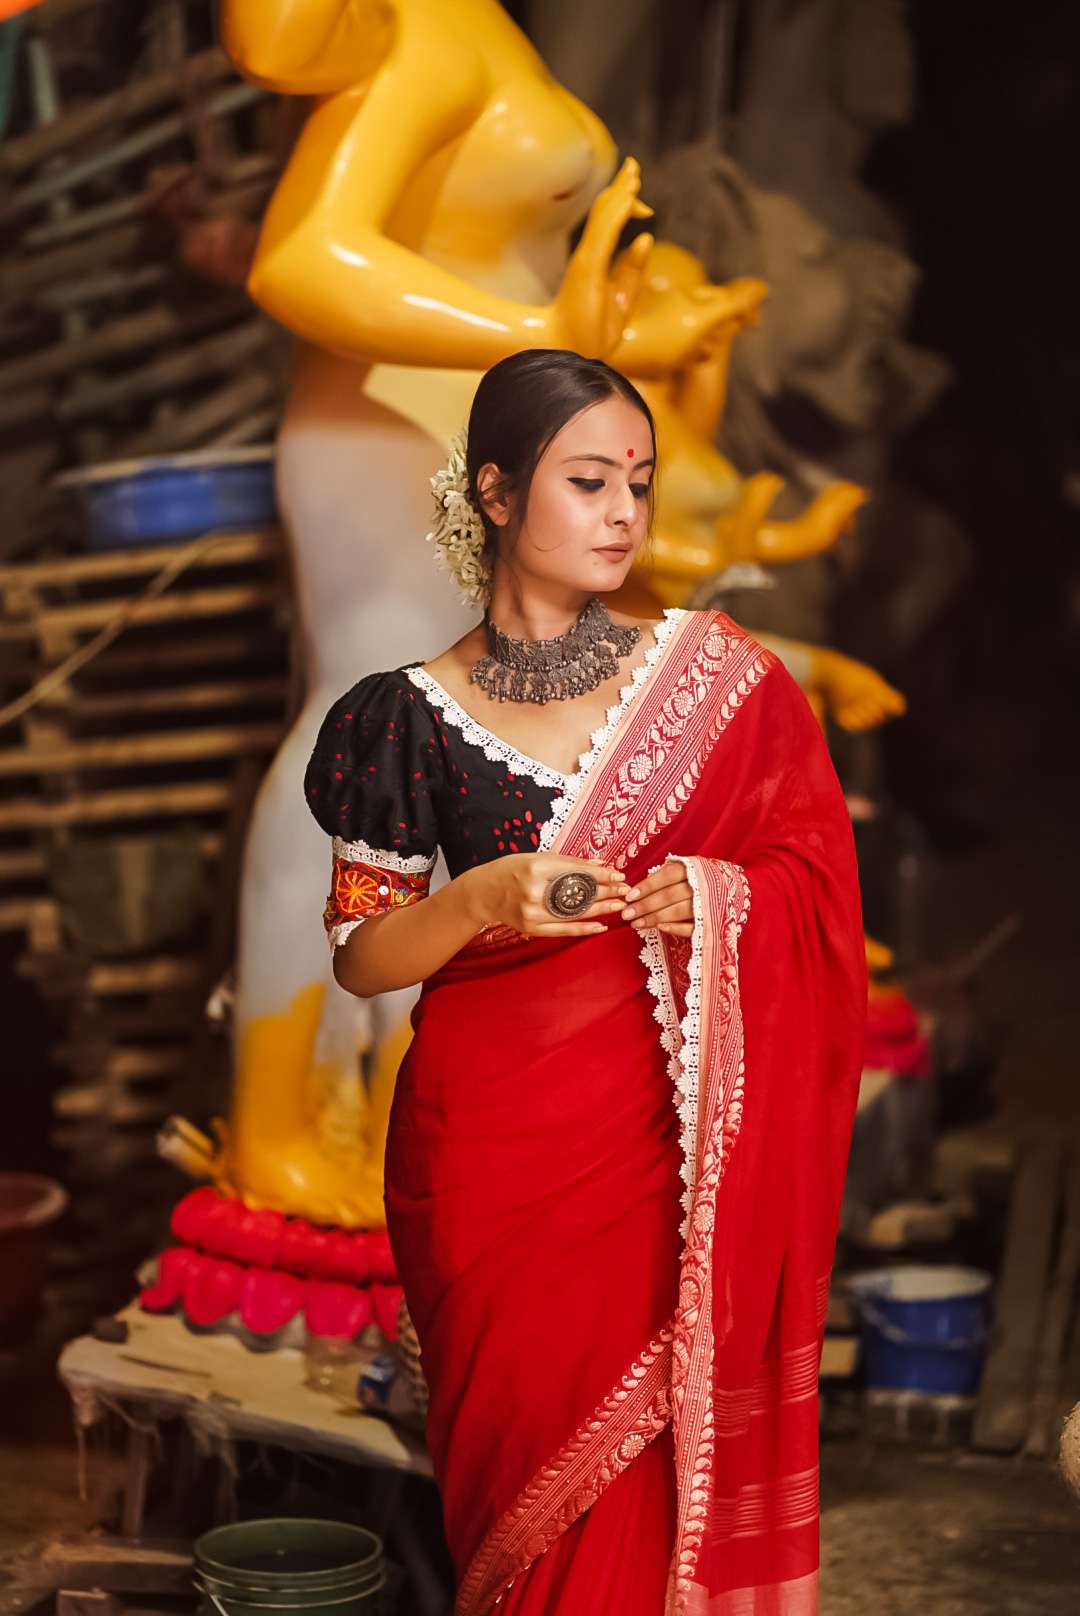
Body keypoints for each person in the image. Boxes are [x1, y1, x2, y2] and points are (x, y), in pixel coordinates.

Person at [304, 350, 866, 1615]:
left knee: (658, 1473)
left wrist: (718, 894)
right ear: (497, 492)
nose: (625, 513)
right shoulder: (402, 717)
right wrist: (482, 898)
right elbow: (360, 955)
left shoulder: (719, 682)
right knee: (526, 1499)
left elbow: (813, 876)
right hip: (493, 1164)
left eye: (640, 483)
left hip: (665, 1159)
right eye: (589, 481)